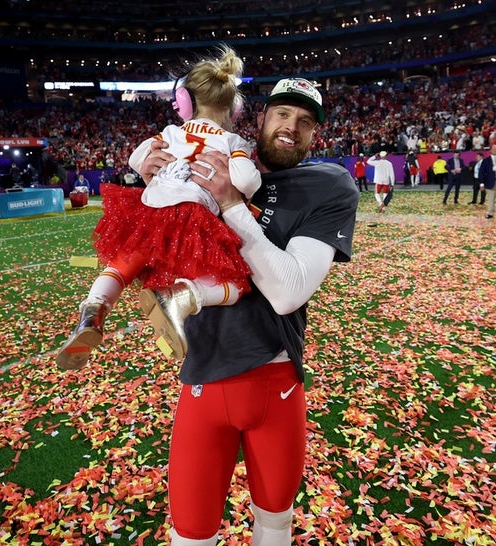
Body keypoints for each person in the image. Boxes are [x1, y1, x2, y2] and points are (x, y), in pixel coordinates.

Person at [139, 76, 358, 545]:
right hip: (203, 373)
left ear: (315, 135)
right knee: (191, 533)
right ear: (260, 119)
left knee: (275, 523)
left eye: (305, 121)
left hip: (275, 379)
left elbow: (287, 291)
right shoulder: (209, 160)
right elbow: (160, 258)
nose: (291, 127)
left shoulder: (326, 184)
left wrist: (231, 204)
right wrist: (162, 180)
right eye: (282, 113)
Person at [56, 45, 261, 370]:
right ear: (234, 108)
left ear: (185, 102)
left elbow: (137, 160)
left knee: (123, 265)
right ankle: (181, 296)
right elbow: (248, 182)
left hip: (150, 208)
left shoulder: (170, 131)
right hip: (191, 214)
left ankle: (93, 311)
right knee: (236, 283)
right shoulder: (232, 141)